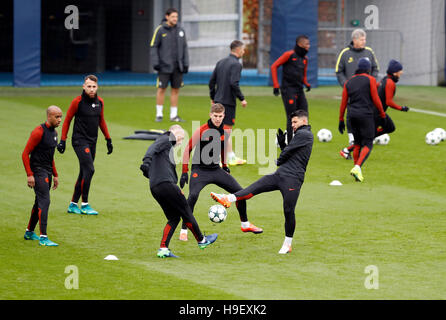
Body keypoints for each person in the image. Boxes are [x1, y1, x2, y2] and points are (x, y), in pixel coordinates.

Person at [210, 110, 313, 254]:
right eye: (292, 122)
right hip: (280, 174)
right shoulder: (300, 135)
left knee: (288, 211)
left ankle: (287, 243)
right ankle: (227, 198)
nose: (293, 125)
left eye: (295, 122)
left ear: (304, 121)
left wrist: (280, 157)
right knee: (255, 188)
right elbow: (291, 153)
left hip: (293, 179)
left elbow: (287, 153)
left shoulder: (305, 134)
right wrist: (283, 146)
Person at [178, 103, 262, 241]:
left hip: (215, 170)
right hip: (199, 171)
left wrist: (224, 165)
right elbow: (187, 149)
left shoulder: (226, 130)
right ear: (210, 115)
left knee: (241, 193)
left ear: (224, 116)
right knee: (192, 196)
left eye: (220, 116)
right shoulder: (202, 130)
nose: (217, 119)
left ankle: (245, 224)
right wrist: (184, 171)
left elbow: (222, 148)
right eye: (215, 116)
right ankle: (184, 230)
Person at [140, 125, 218, 258]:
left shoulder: (165, 148)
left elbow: (156, 164)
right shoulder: (166, 138)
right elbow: (151, 149)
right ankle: (201, 240)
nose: (180, 142)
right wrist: (146, 161)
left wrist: (176, 177)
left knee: (174, 217)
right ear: (174, 132)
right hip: (166, 185)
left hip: (156, 187)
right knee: (186, 209)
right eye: (180, 138)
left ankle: (163, 249)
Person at [57, 75, 113, 215]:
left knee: (84, 172)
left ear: (97, 87)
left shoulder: (100, 102)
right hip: (79, 140)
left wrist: (108, 139)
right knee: (90, 169)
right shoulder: (77, 102)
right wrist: (63, 140)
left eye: (94, 87)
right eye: (89, 86)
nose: (91, 89)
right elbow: (67, 120)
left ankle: (73, 205)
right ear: (84, 87)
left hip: (92, 141)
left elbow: (102, 121)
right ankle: (85, 204)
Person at [339, 59, 409, 158]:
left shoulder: (384, 80)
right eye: (400, 70)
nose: (401, 72)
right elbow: (388, 102)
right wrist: (401, 108)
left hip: (374, 112)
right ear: (395, 72)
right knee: (388, 128)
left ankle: (352, 148)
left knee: (387, 128)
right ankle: (346, 150)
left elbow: (374, 87)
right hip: (376, 113)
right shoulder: (390, 83)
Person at [338, 58, 386, 182]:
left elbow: (343, 103)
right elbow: (376, 99)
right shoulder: (370, 79)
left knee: (358, 143)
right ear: (369, 69)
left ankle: (356, 172)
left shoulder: (349, 82)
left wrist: (341, 120)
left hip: (352, 115)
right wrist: (382, 114)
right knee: (368, 143)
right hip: (365, 115)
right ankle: (357, 167)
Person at [22, 106, 63, 246]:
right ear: (49, 116)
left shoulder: (55, 133)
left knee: (38, 202)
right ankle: (43, 238)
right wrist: (29, 175)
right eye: (57, 117)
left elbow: (50, 156)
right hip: (38, 171)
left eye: (60, 117)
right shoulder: (38, 132)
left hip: (47, 171)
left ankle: (29, 232)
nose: (60, 120)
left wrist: (55, 175)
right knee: (45, 201)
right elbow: (25, 154)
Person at [335, 29, 379, 154]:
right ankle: (352, 140)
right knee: (351, 113)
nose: (364, 41)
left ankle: (365, 137)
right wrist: (346, 85)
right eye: (361, 39)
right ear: (354, 40)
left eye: (365, 39)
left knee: (367, 111)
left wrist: (373, 82)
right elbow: (339, 71)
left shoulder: (369, 52)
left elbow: (376, 68)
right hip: (351, 91)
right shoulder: (345, 53)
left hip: (367, 90)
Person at [209, 40, 248, 166]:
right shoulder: (236, 64)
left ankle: (224, 157)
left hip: (218, 100)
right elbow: (233, 83)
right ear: (237, 50)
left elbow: (211, 82)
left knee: (218, 130)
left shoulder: (221, 62)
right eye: (243, 49)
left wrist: (212, 97)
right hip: (228, 102)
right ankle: (225, 158)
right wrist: (242, 98)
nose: (244, 51)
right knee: (226, 131)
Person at [150, 7, 189, 123]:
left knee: (175, 90)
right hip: (164, 67)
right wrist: (156, 62)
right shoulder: (160, 30)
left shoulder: (181, 30)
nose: (175, 19)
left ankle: (174, 115)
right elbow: (153, 46)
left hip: (178, 67)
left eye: (176, 17)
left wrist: (186, 63)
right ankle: (159, 114)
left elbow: (185, 48)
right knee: (161, 89)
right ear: (167, 17)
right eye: (173, 16)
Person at [271, 35, 312, 144]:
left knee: (304, 114)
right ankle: (289, 142)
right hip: (288, 90)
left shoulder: (305, 59)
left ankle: (303, 140)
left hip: (299, 89)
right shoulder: (288, 55)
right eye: (307, 44)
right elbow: (274, 66)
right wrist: (276, 85)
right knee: (292, 116)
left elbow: (303, 75)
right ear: (300, 44)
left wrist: (306, 83)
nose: (309, 46)